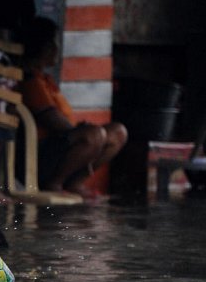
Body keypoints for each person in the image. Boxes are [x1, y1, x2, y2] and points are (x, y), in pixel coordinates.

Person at [19, 17, 127, 200]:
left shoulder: (45, 80)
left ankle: (74, 182)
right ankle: (53, 183)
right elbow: (51, 119)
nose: (56, 49)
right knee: (93, 135)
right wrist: (83, 132)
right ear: (40, 48)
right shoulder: (30, 80)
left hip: (58, 144)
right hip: (40, 153)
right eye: (51, 44)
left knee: (117, 132)